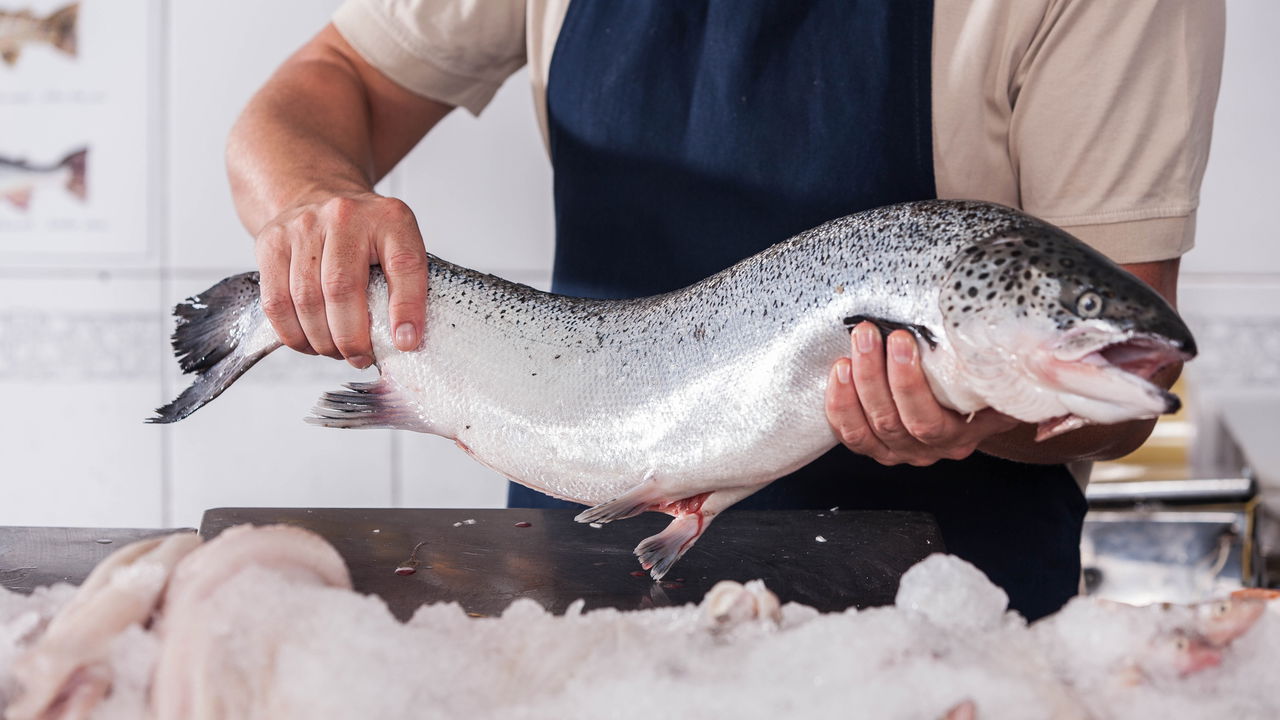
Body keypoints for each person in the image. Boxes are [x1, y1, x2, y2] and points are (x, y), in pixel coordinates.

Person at [226, 0, 1225, 620]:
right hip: (578, 534)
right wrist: (312, 207)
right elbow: (325, 87)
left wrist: (981, 415)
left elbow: (1131, 386)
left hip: (938, 619)